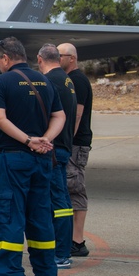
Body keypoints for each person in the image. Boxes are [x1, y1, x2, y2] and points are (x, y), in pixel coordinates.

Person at [0, 37, 65, 276]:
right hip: (42, 160)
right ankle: (47, 272)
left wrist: (29, 140)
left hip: (13, 157)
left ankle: (9, 274)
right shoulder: (46, 81)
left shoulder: (2, 82)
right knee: (40, 214)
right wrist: (45, 140)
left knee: (8, 214)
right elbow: (59, 115)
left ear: (5, 58)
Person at [38, 44, 77, 270]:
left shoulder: (50, 81)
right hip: (63, 146)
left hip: (53, 149)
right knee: (62, 199)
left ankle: (60, 254)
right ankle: (62, 251)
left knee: (57, 201)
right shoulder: (66, 79)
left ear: (40, 59)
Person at [57, 42, 93, 257]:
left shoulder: (77, 80)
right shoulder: (70, 79)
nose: (57, 58)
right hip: (75, 141)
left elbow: (77, 114)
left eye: (60, 55)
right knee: (69, 187)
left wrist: (67, 140)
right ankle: (71, 237)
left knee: (75, 187)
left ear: (72, 58)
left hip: (76, 142)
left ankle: (77, 241)